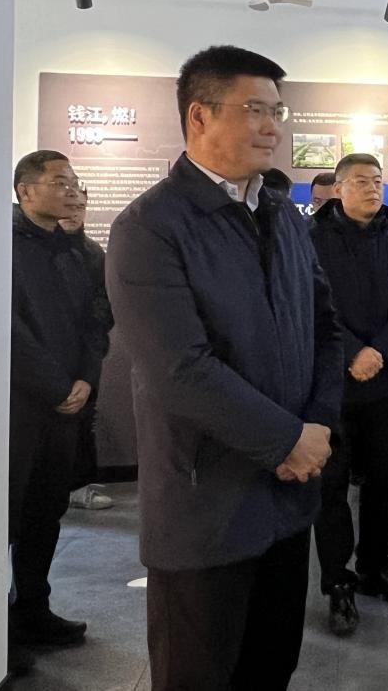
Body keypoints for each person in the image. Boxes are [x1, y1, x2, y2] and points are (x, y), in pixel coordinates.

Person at [106, 45, 343, 691]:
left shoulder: (282, 217)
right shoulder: (150, 226)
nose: (273, 127)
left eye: (277, 111)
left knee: (271, 667)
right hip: (205, 506)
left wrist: (319, 424)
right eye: (255, 109)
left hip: (288, 501)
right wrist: (287, 440)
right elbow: (180, 368)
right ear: (199, 116)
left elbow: (325, 328)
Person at [310, 152, 388, 636]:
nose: (372, 188)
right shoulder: (310, 240)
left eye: (378, 181)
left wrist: (379, 351)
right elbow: (313, 307)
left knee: (382, 482)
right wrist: (354, 352)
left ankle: (375, 568)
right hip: (331, 383)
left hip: (385, 379)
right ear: (338, 189)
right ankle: (338, 582)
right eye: (360, 181)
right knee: (331, 485)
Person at [9, 151, 108, 662]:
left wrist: (86, 378)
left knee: (47, 511)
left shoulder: (78, 251)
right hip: (19, 406)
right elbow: (9, 328)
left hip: (68, 405)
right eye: (59, 182)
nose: (71, 190)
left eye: (74, 182)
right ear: (26, 190)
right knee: (7, 515)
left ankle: (33, 609)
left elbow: (97, 320)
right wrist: (54, 386)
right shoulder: (1, 245)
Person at [58, 188, 115, 511]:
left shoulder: (93, 253)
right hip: (43, 355)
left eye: (80, 206)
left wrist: (89, 360)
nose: (74, 211)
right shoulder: (27, 248)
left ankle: (79, 485)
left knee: (83, 417)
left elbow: (104, 306)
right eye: (69, 204)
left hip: (83, 354)